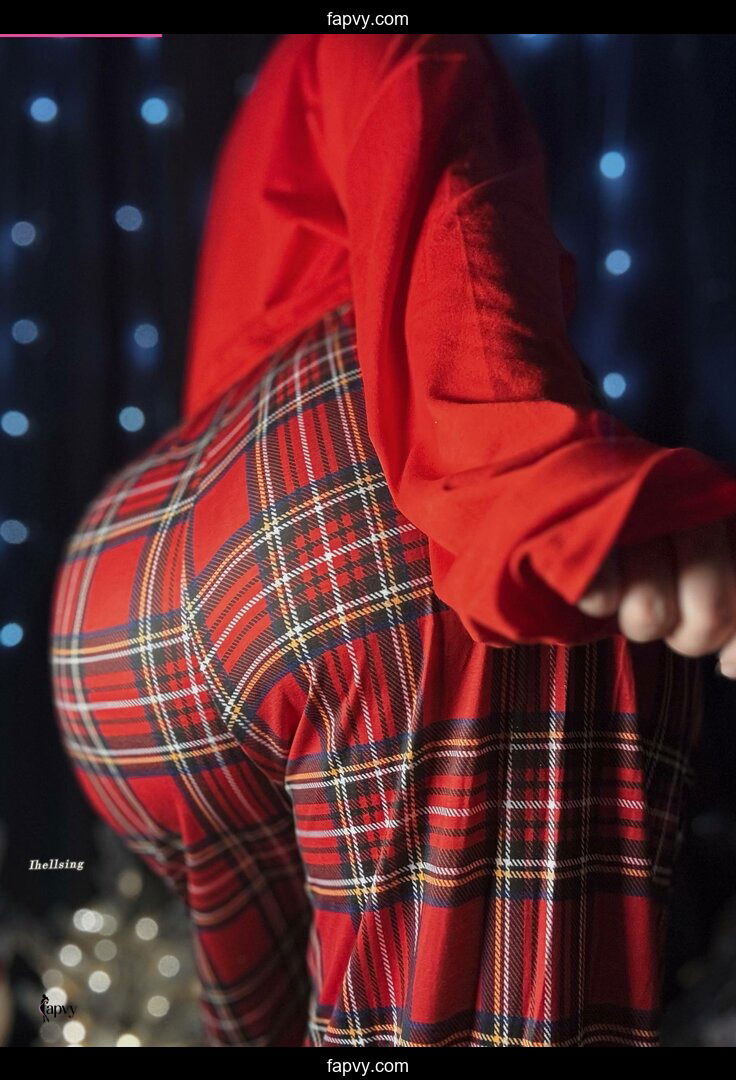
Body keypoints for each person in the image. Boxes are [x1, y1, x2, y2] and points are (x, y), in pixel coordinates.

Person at [48, 33, 736, 1048]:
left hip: (125, 598)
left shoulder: (279, 79)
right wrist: (540, 483)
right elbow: (418, 130)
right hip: (349, 526)